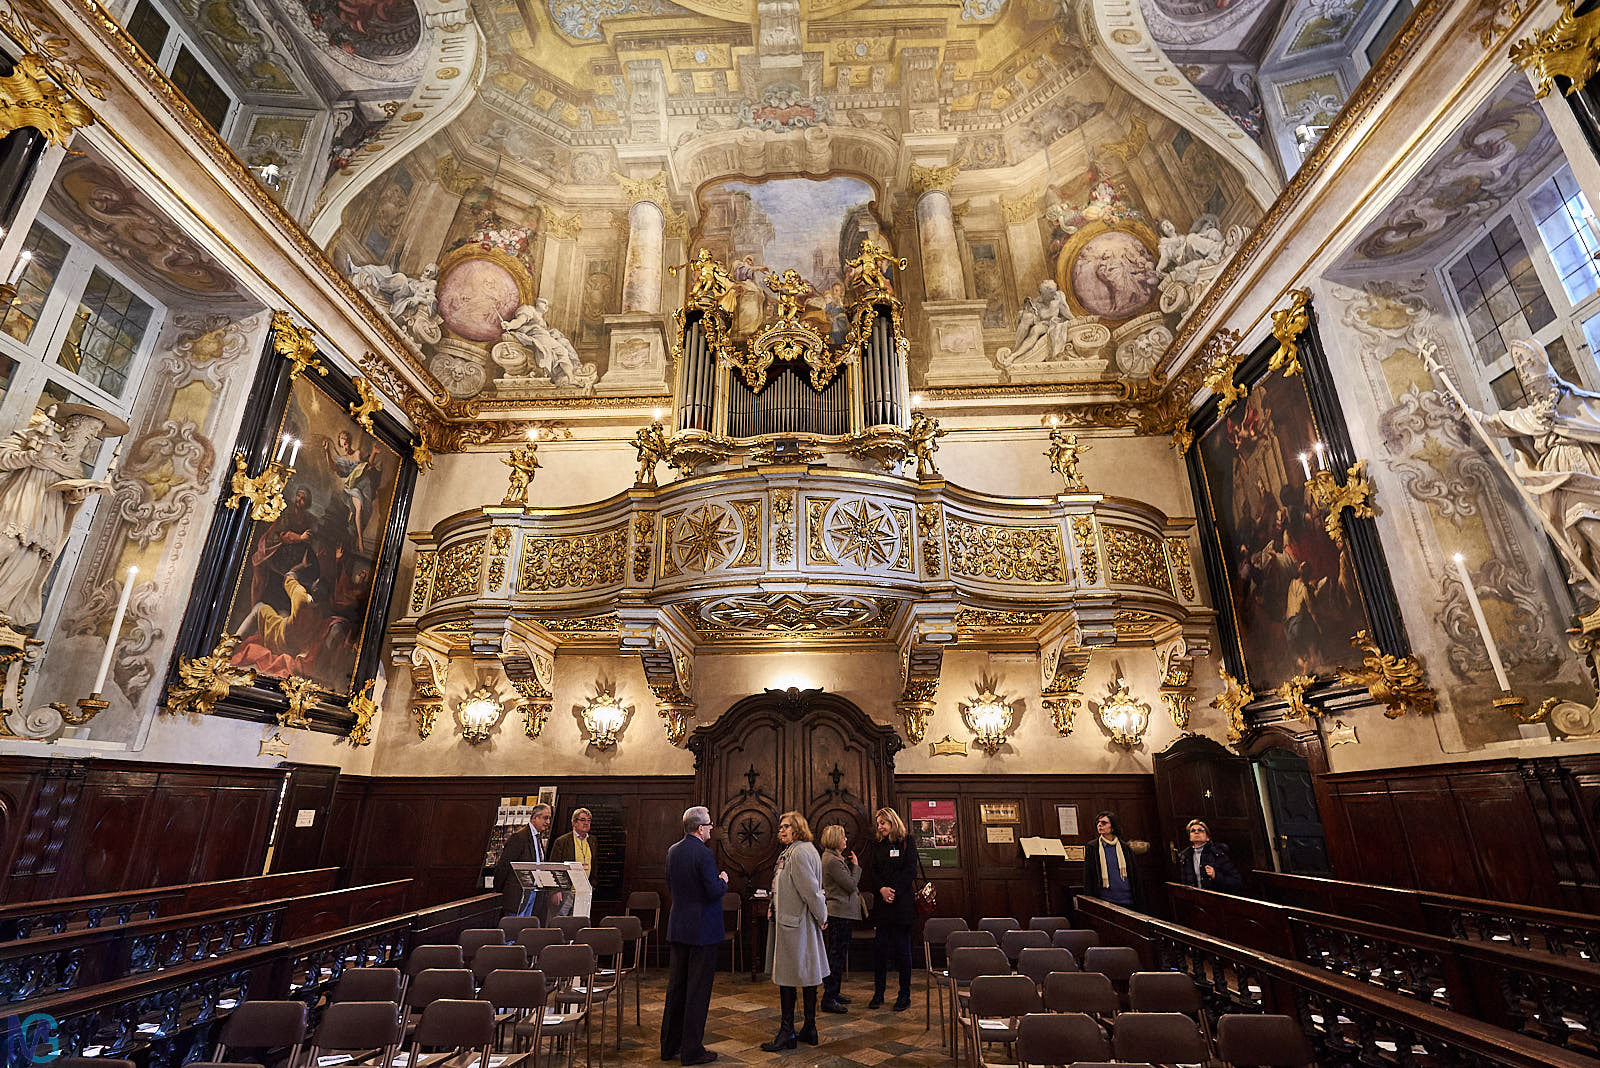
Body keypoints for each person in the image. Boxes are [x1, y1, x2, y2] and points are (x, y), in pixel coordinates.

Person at [661, 805, 728, 1067]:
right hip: (702, 930)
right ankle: (692, 1051)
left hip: (679, 926)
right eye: (709, 824)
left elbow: (670, 883)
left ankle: (669, 1046)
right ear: (700, 828)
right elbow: (712, 891)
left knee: (676, 988)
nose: (711, 828)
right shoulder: (704, 854)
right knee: (697, 991)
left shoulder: (673, 851)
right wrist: (723, 880)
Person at [762, 812, 829, 1050]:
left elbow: (810, 890)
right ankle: (809, 1028)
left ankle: (787, 1031)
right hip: (797, 923)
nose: (780, 830)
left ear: (798, 829)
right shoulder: (795, 850)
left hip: (797, 926)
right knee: (806, 975)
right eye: (780, 826)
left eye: (786, 826)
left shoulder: (799, 852)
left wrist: (823, 915)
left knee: (789, 978)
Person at [867, 806, 917, 1011]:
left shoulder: (907, 842)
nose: (880, 827)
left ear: (892, 822)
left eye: (883, 823)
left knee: (903, 952)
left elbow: (910, 871)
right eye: (878, 824)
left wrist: (893, 890)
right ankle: (878, 994)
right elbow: (873, 871)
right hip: (882, 906)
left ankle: (904, 995)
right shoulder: (876, 844)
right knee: (880, 952)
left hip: (902, 904)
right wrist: (881, 889)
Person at [818, 824, 861, 1014]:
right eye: (843, 838)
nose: (845, 841)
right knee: (836, 956)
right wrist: (857, 867)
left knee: (837, 954)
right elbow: (850, 885)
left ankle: (834, 993)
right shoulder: (833, 860)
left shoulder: (834, 858)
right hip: (839, 913)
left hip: (841, 912)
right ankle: (829, 997)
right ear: (836, 839)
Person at [494, 803, 554, 918]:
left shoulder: (537, 837)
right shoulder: (519, 837)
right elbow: (504, 866)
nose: (548, 822)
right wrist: (498, 890)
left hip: (532, 893)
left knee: (525, 929)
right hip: (517, 895)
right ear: (535, 818)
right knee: (513, 931)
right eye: (545, 818)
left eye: (549, 818)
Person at [1082, 811, 1144, 910]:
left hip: (1127, 897)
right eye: (1098, 822)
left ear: (1113, 826)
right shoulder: (1093, 847)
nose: (1099, 825)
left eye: (1104, 823)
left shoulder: (1125, 847)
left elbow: (1134, 873)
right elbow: (1089, 875)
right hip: (1105, 898)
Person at [549, 807, 595, 916]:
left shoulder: (592, 841)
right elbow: (554, 867)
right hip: (566, 892)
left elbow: (594, 865)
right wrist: (555, 891)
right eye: (583, 820)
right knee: (560, 922)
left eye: (589, 820)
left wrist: (592, 885)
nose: (586, 823)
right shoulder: (562, 841)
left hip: (583, 892)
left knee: (579, 923)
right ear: (574, 823)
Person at [1176, 819, 1242, 892]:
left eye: (1200, 830)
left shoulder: (1218, 854)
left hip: (1214, 898)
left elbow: (1236, 881)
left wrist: (1215, 875)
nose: (1196, 832)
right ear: (1190, 837)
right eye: (1193, 831)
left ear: (1208, 837)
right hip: (1194, 898)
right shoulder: (1185, 856)